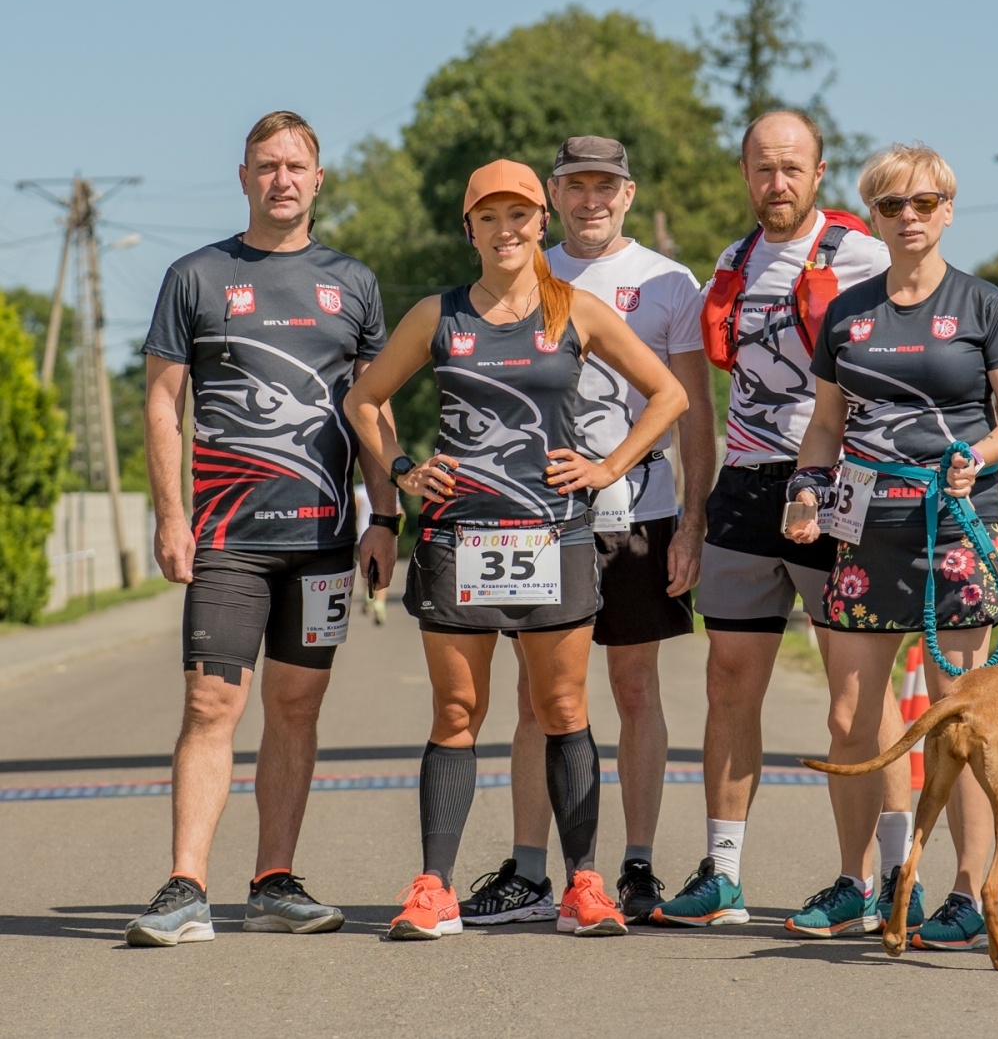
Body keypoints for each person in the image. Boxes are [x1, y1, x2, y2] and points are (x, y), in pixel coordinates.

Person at [343, 159, 687, 940]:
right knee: (457, 710)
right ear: (470, 229)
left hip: (553, 535)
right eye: (489, 217)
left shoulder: (578, 311)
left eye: (521, 215)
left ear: (542, 222)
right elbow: (364, 399)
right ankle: (434, 888)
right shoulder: (439, 315)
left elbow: (669, 393)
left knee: (563, 706)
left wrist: (606, 468)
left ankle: (585, 887)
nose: (507, 230)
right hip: (458, 536)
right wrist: (400, 470)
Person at [130, 110, 400, 947]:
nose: (282, 178)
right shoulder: (196, 276)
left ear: (318, 180)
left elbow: (373, 405)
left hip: (321, 541)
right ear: (243, 177)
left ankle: (274, 880)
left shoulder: (352, 283)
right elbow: (164, 401)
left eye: (296, 165)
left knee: (296, 706)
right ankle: (185, 887)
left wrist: (384, 514)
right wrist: (170, 515)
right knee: (212, 701)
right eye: (266, 165)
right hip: (227, 540)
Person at [651, 109, 921, 928]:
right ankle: (724, 871)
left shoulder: (866, 254)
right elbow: (700, 403)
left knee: (857, 699)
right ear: (745, 175)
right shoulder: (728, 266)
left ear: (819, 171)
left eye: (793, 168)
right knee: (728, 681)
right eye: (764, 169)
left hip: (840, 491)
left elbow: (922, 361)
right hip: (744, 485)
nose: (778, 183)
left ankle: (887, 875)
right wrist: (693, 517)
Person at [456, 137, 715, 925]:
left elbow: (690, 405)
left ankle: (635, 865)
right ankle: (531, 870)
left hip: (638, 510)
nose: (591, 200)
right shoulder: (522, 267)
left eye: (606, 186)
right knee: (539, 701)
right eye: (575, 187)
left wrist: (692, 518)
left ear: (628, 194)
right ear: (551, 200)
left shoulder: (668, 282)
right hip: (534, 521)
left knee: (635, 689)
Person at [785, 142, 998, 947]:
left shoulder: (983, 303)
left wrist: (982, 457)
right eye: (892, 205)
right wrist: (804, 492)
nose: (909, 217)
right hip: (867, 526)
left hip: (957, 523)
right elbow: (826, 424)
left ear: (948, 210)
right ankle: (868, 880)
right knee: (853, 713)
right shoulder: (848, 311)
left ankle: (966, 890)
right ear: (876, 215)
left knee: (960, 714)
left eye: (925, 203)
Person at [353, 483, 388, 624]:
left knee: (366, 568)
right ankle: (380, 602)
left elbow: (353, 512)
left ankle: (368, 594)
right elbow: (399, 511)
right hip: (383, 535)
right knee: (382, 568)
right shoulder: (389, 490)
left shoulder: (359, 491)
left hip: (363, 534)